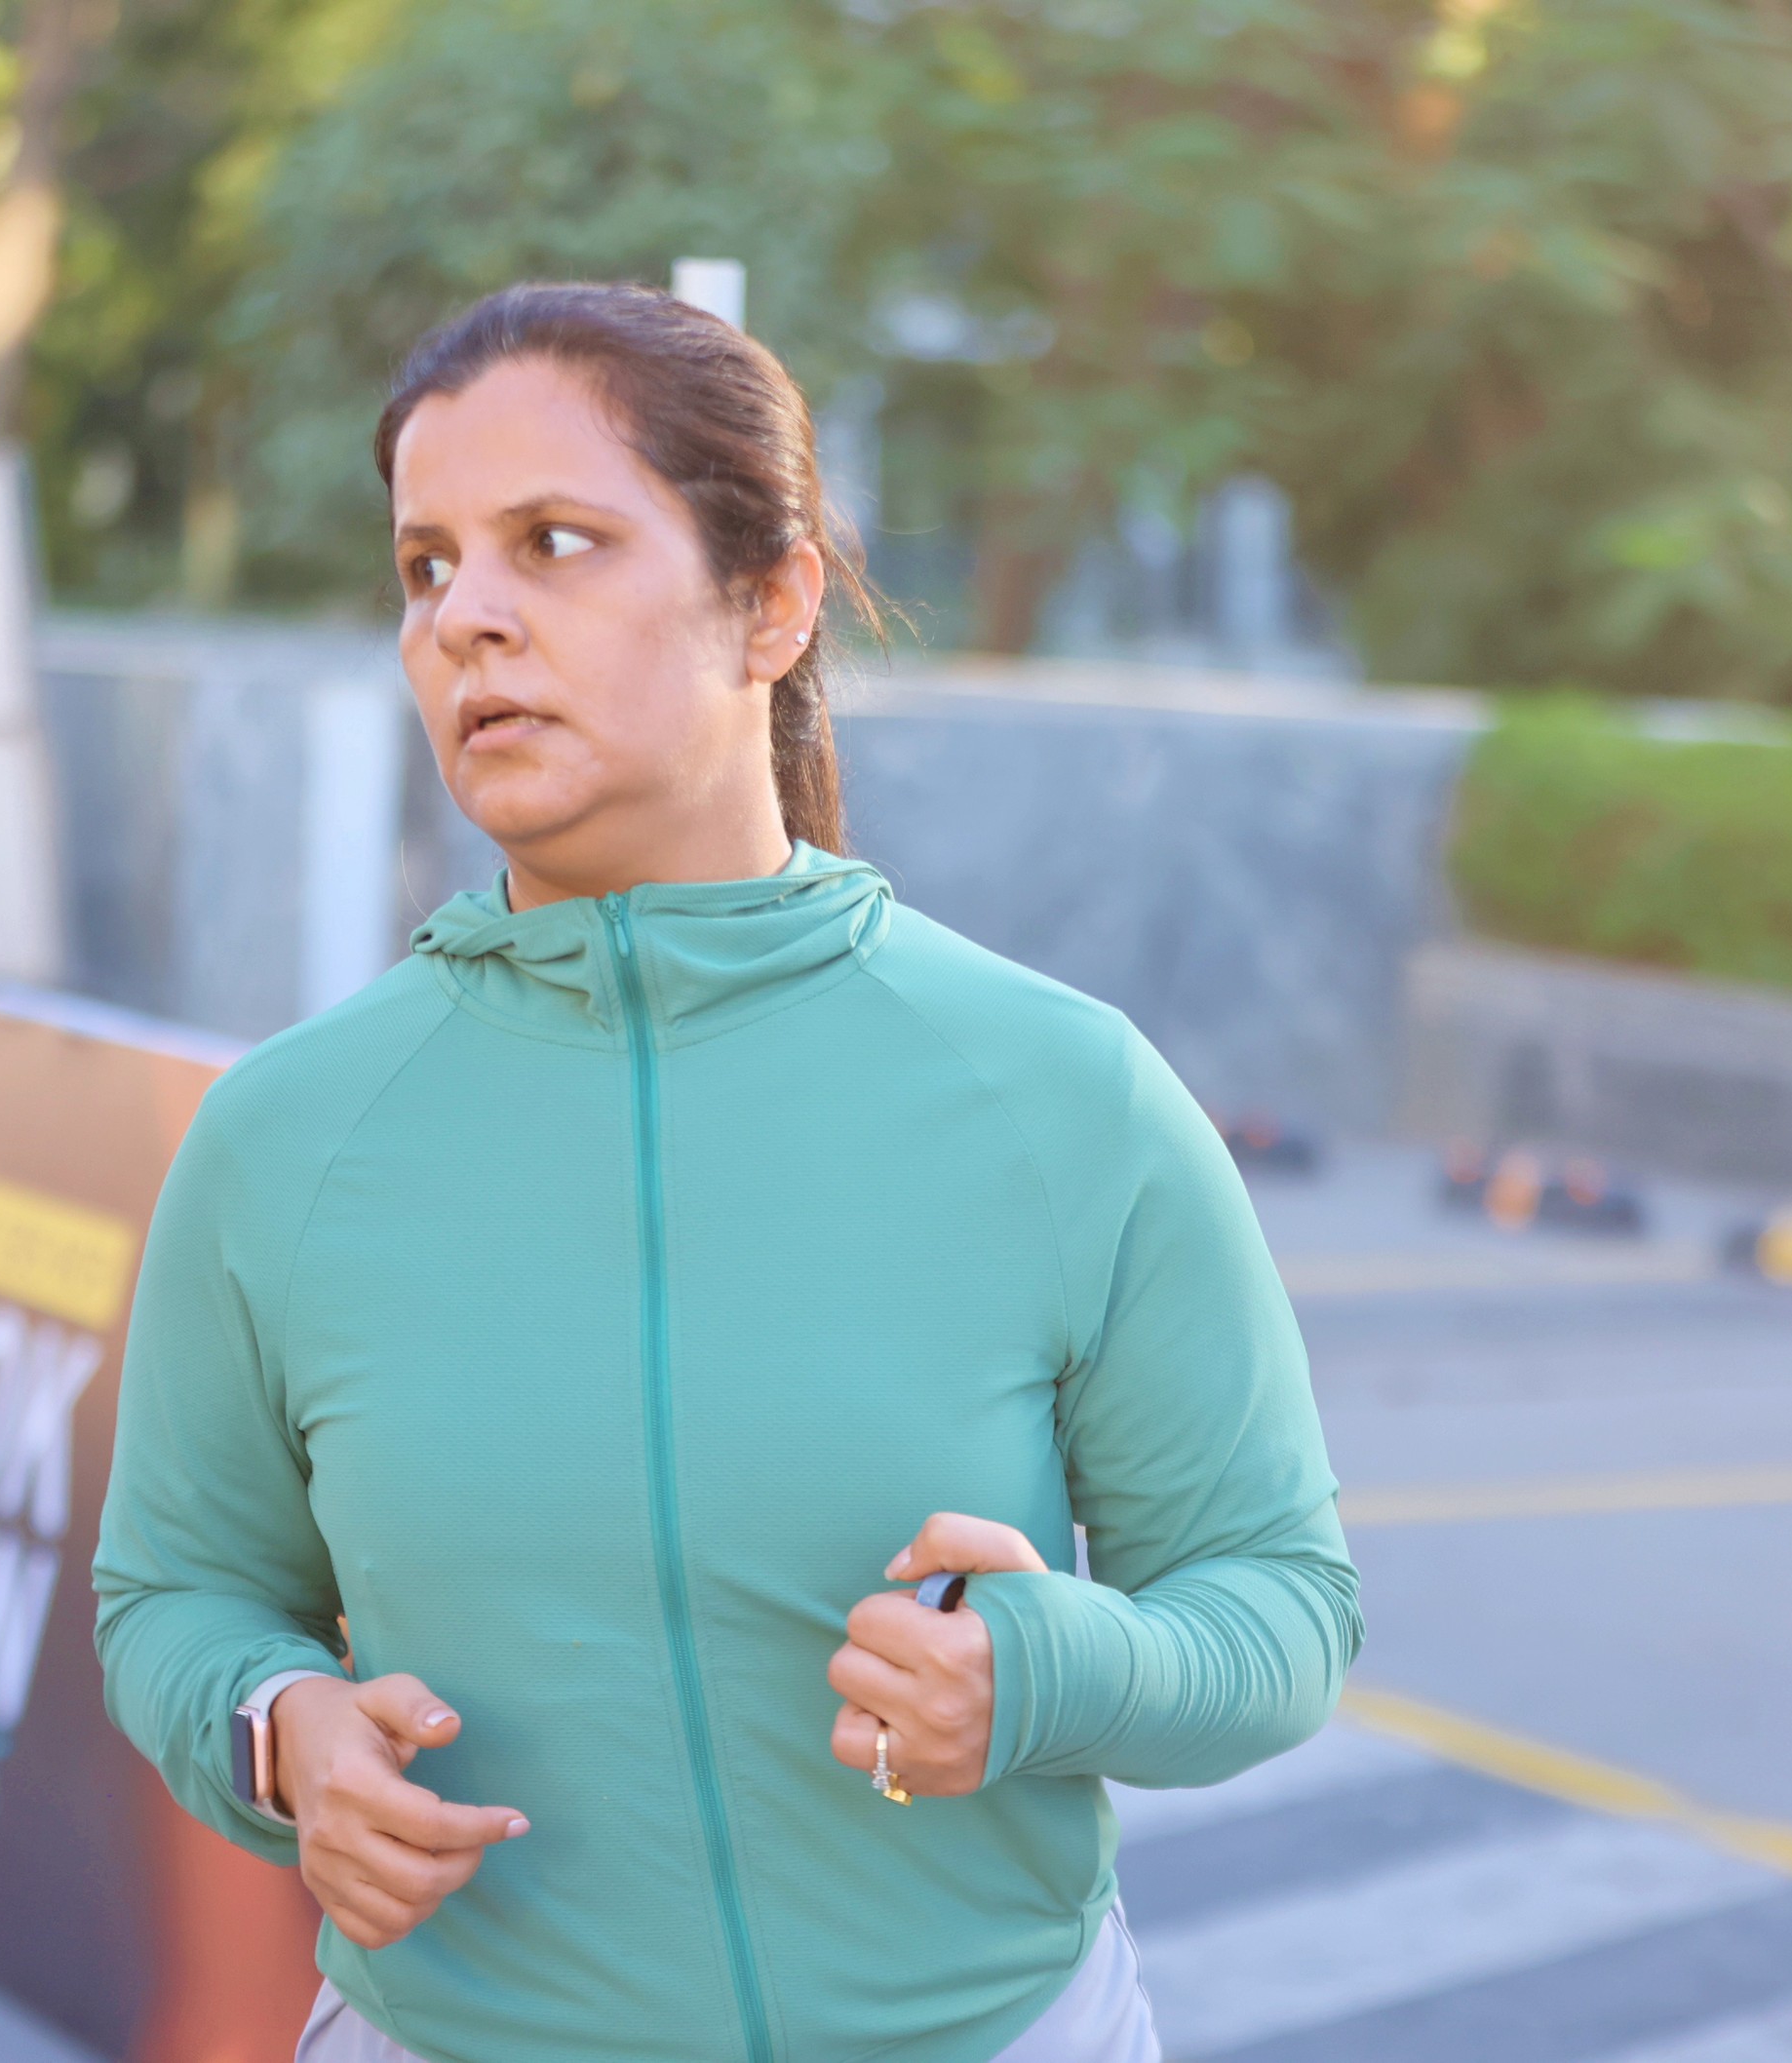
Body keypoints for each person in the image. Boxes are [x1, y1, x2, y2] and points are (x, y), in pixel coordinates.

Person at [93, 280, 1360, 2063]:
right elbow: (175, 1596)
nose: (467, 618)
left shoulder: (1059, 1090)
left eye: (555, 543)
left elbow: (1278, 1607)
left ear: (772, 602)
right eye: (426, 566)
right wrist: (278, 1731)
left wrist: (1044, 1671)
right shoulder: (286, 1134)